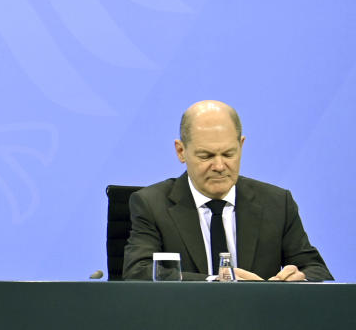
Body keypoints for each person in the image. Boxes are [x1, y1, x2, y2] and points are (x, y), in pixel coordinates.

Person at [122, 100, 331, 281]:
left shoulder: (277, 203)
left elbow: (315, 269)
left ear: (241, 145)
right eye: (206, 156)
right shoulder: (151, 204)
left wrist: (298, 278)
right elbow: (138, 271)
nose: (220, 166)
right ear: (181, 151)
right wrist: (217, 281)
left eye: (229, 154)